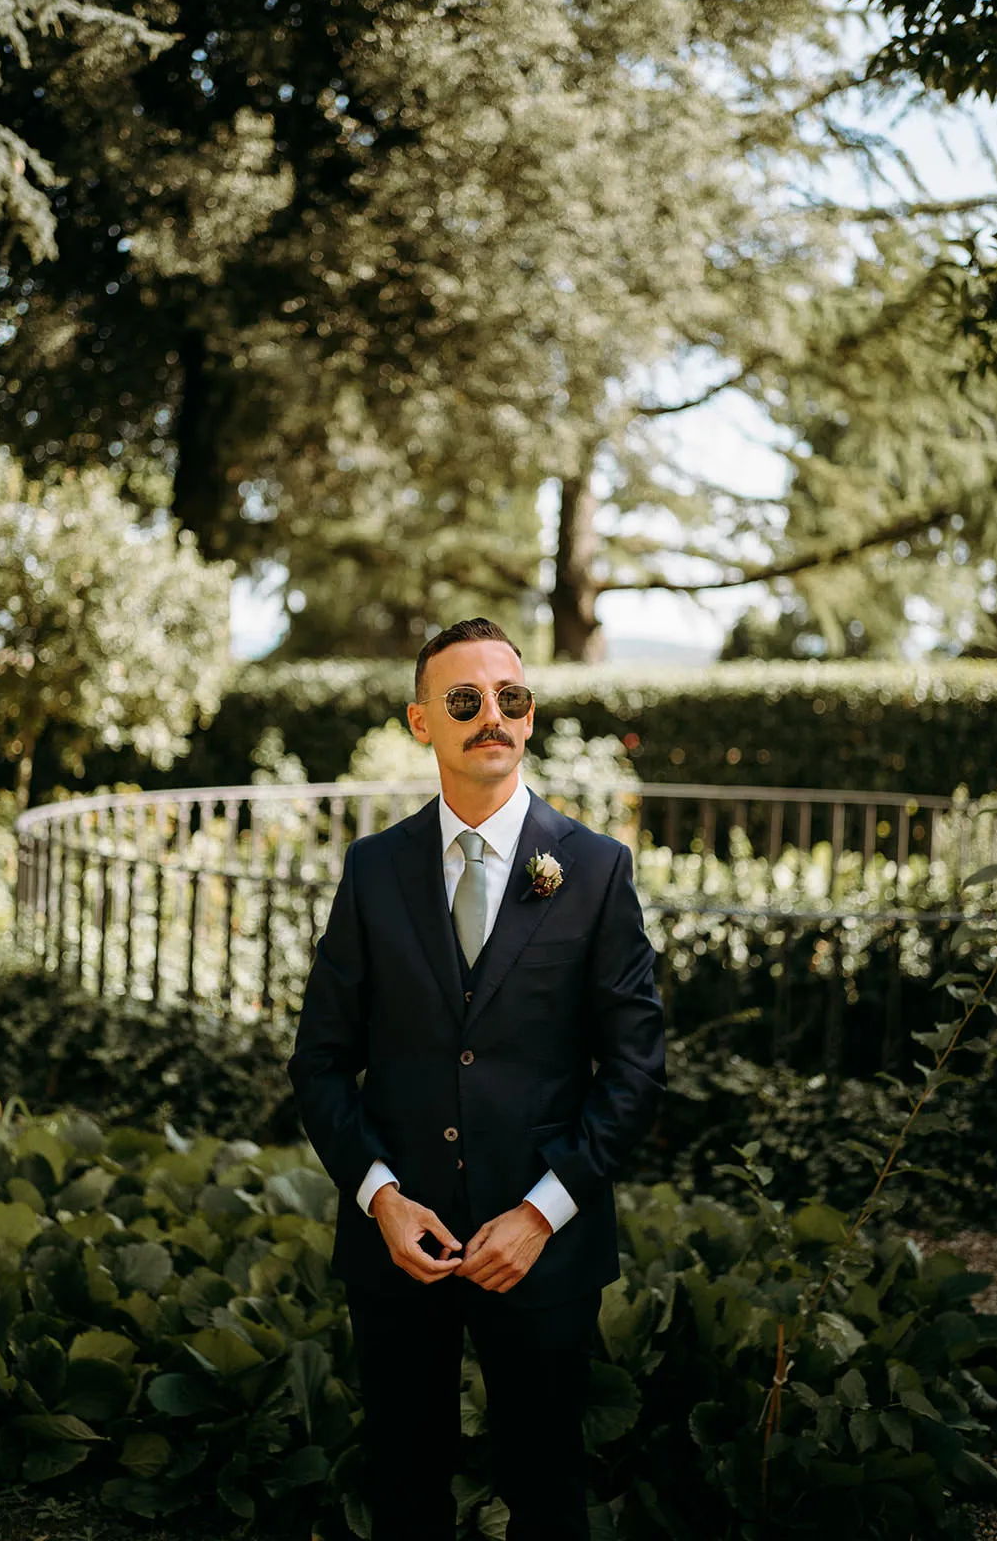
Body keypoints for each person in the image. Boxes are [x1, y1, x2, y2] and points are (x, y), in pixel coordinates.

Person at [287, 617, 665, 1541]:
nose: (490, 715)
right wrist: (380, 1199)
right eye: (464, 700)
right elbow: (321, 1060)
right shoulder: (371, 871)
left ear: (529, 718)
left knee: (546, 1496)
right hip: (398, 1250)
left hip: (542, 1252)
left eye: (511, 698)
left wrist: (542, 1213)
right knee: (404, 1493)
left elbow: (635, 1068)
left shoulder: (596, 870)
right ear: (423, 722)